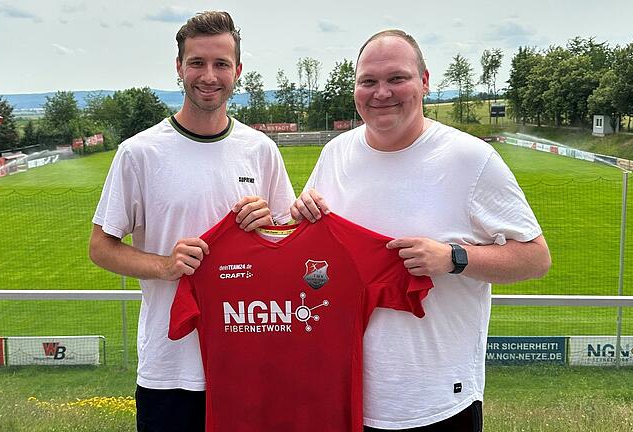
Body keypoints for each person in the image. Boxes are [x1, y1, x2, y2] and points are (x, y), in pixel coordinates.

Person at [292, 30, 551, 432]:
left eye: (397, 78)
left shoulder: (470, 158)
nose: (381, 93)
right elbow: (312, 257)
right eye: (368, 81)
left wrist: (453, 258)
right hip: (345, 395)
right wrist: (300, 215)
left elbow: (536, 258)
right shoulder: (336, 154)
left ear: (425, 81)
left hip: (438, 401)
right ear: (355, 87)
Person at [89, 11, 295, 432]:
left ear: (237, 71)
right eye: (197, 62)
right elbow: (101, 247)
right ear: (179, 67)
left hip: (247, 356)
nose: (209, 75)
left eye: (221, 64)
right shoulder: (140, 153)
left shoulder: (260, 150)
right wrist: (165, 265)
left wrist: (270, 226)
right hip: (170, 367)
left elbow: (288, 245)